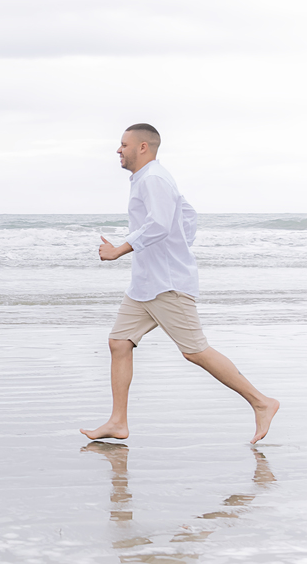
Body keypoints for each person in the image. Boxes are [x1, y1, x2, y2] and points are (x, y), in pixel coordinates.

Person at [81, 124, 280, 444]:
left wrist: (120, 250)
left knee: (196, 351)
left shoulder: (154, 178)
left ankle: (261, 402)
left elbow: (159, 224)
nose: (118, 150)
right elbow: (188, 216)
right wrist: (178, 247)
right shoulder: (148, 179)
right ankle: (118, 422)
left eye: (124, 144)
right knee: (119, 342)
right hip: (145, 283)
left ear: (143, 147)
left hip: (166, 283)